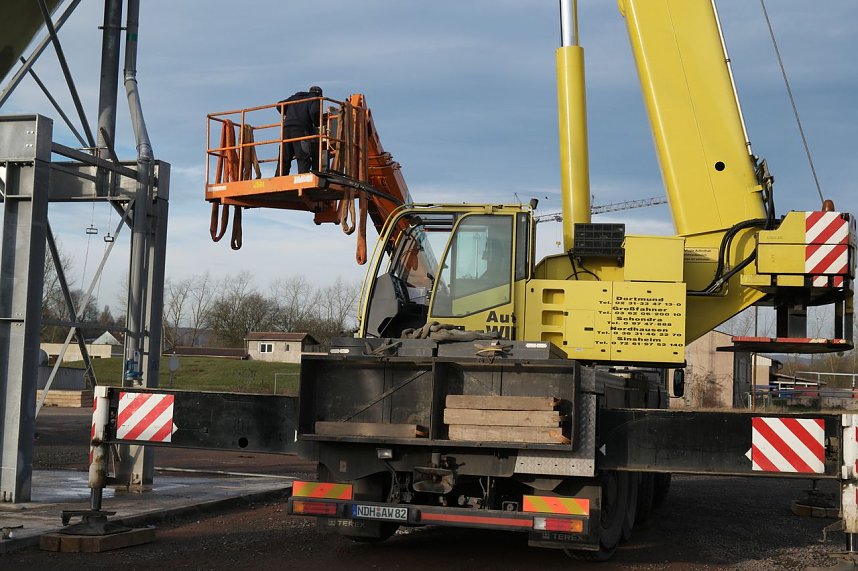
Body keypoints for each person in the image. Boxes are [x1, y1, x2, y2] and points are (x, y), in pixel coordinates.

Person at [276, 85, 323, 175]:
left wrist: (290, 115)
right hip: (300, 130)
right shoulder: (315, 98)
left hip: (286, 130)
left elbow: (279, 105)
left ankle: (278, 180)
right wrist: (317, 123)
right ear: (319, 94)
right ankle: (303, 180)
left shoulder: (295, 97)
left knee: (284, 158)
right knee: (303, 157)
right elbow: (314, 112)